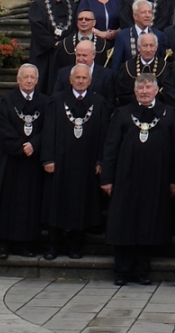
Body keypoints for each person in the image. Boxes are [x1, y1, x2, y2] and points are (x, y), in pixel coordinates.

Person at [102, 73, 175, 286]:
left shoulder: (168, 114)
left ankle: (141, 270)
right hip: (125, 179)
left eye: (149, 88)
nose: (145, 92)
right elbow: (110, 148)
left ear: (156, 91)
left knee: (149, 224)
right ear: (135, 91)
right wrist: (107, 178)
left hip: (156, 180)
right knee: (123, 224)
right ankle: (122, 270)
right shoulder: (122, 113)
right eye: (141, 88)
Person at [0, 64, 48, 259]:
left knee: (28, 201)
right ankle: (2, 243)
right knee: (6, 200)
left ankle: (24, 243)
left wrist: (34, 144)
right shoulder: (5, 101)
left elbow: (48, 128)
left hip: (32, 161)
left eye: (32, 77)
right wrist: (20, 146)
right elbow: (2, 128)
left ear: (37, 80)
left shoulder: (44, 102)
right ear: (18, 80)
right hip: (8, 160)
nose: (28, 80)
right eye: (25, 77)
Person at [41, 64, 110, 260]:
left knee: (81, 205)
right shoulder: (56, 100)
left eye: (84, 78)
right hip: (59, 164)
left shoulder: (99, 103)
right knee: (56, 205)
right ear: (70, 80)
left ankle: (76, 246)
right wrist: (48, 158)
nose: (80, 81)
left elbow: (104, 135)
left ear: (90, 80)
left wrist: (100, 160)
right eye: (77, 78)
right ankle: (54, 245)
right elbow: (47, 132)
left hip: (85, 165)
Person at [29, 0, 76, 94]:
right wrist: (52, 42)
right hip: (44, 52)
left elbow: (75, 27)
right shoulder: (38, 5)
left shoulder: (72, 5)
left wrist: (66, 43)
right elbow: (36, 27)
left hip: (64, 52)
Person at [52, 40, 116, 110]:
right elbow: (56, 99)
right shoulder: (64, 73)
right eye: (78, 55)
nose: (80, 59)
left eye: (84, 55)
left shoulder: (106, 75)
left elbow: (110, 103)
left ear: (93, 55)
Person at [110, 0, 166, 72]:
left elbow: (161, 61)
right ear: (135, 16)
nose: (147, 15)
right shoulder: (123, 36)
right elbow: (116, 65)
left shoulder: (159, 35)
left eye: (150, 12)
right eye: (143, 12)